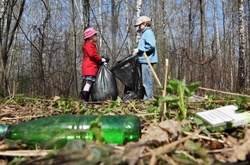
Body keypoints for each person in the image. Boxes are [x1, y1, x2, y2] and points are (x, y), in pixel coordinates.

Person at [133, 16, 158, 100]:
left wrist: (140, 49)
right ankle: (146, 97)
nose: (139, 27)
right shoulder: (145, 33)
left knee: (146, 81)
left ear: (144, 23)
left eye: (139, 25)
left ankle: (148, 98)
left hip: (147, 60)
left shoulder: (148, 33)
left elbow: (151, 45)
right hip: (144, 59)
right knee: (144, 80)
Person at [81, 27, 109, 102]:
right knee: (88, 84)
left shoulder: (90, 45)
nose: (96, 38)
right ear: (90, 37)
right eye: (95, 36)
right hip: (89, 68)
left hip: (91, 67)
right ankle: (84, 100)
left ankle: (85, 99)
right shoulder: (88, 45)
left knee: (89, 84)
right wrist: (101, 59)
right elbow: (92, 55)